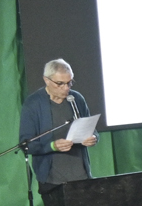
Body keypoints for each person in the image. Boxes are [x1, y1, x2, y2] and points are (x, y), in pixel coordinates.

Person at [20, 58, 98, 193]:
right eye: (60, 83)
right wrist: (52, 146)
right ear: (47, 80)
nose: (66, 88)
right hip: (52, 180)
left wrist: (93, 138)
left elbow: (92, 130)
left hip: (81, 175)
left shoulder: (76, 99)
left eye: (69, 83)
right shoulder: (33, 104)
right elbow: (26, 144)